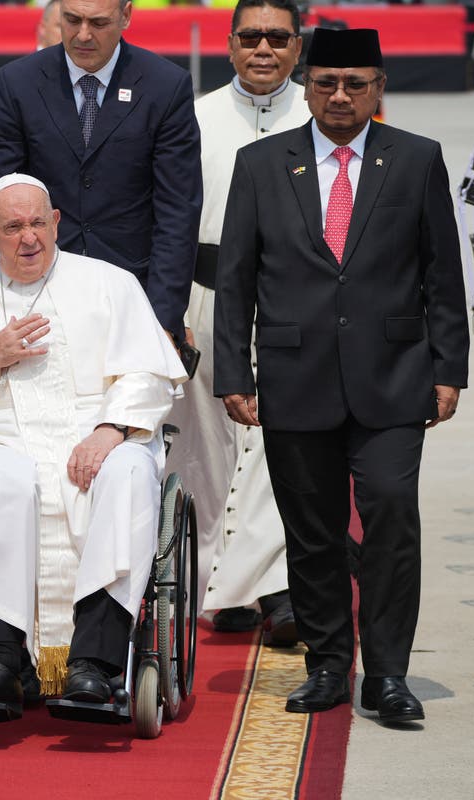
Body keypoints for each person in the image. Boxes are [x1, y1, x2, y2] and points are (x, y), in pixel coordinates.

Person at [213, 28, 469, 722]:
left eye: (356, 83)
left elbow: (442, 272)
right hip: (295, 379)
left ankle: (387, 673)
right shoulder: (264, 163)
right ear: (308, 85)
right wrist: (234, 368)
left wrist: (451, 368)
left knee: (391, 518)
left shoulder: (415, 160)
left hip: (394, 377)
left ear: (379, 88)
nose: (340, 96)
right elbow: (235, 280)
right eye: (326, 82)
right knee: (313, 530)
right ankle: (328, 664)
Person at [0, 175, 186, 712]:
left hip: (96, 434)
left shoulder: (111, 284)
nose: (28, 238)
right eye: (13, 227)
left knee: (126, 472)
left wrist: (112, 429)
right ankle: (2, 661)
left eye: (37, 223)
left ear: (56, 222)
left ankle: (94, 664)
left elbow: (151, 376)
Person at [164, 0, 309, 645]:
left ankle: (276, 583)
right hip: (206, 291)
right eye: (251, 36)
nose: (263, 49)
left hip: (291, 301)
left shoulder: (319, 114)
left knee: (284, 444)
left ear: (297, 47)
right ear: (229, 44)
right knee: (206, 443)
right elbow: (167, 217)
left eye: (278, 38)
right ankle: (220, 587)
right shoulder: (192, 117)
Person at [0, 0, 201, 343]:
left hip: (131, 296)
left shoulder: (165, 87)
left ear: (126, 16)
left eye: (99, 23)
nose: (83, 35)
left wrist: (163, 319)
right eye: (72, 20)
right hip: (34, 295)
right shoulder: (18, 84)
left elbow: (177, 212)